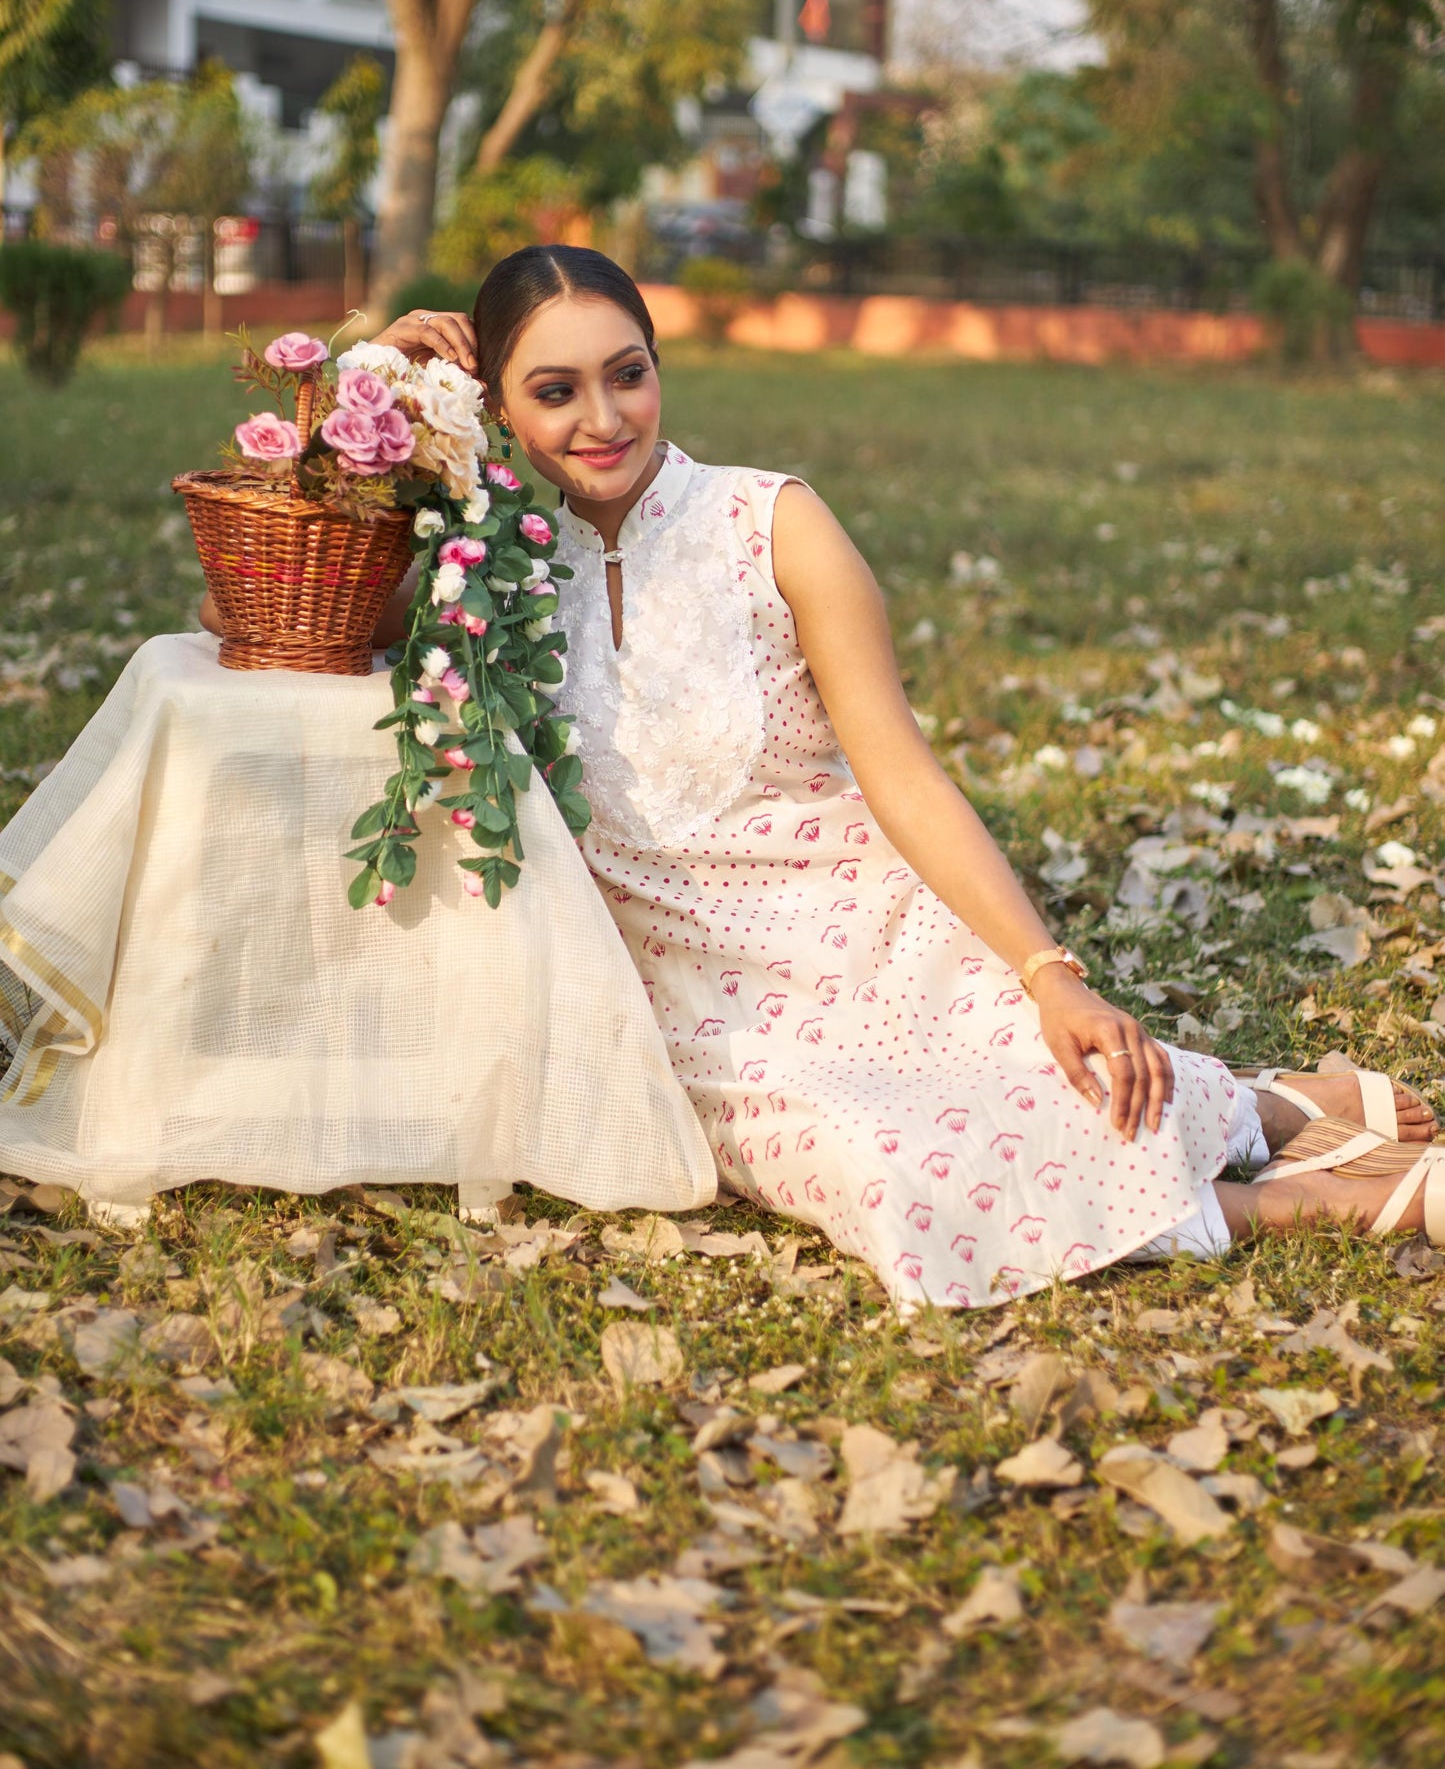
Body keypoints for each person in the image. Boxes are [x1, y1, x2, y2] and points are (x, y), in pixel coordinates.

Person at [369, 250, 1443, 1306]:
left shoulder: (769, 523)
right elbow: (254, 612)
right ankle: (1297, 1191)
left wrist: (1045, 969)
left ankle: (1258, 1116)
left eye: (628, 372)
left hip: (870, 929)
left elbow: (902, 774)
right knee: (882, 1164)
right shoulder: (471, 563)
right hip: (698, 1006)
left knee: (1060, 1079)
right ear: (494, 408)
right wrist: (364, 386)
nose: (603, 418)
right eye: (554, 391)